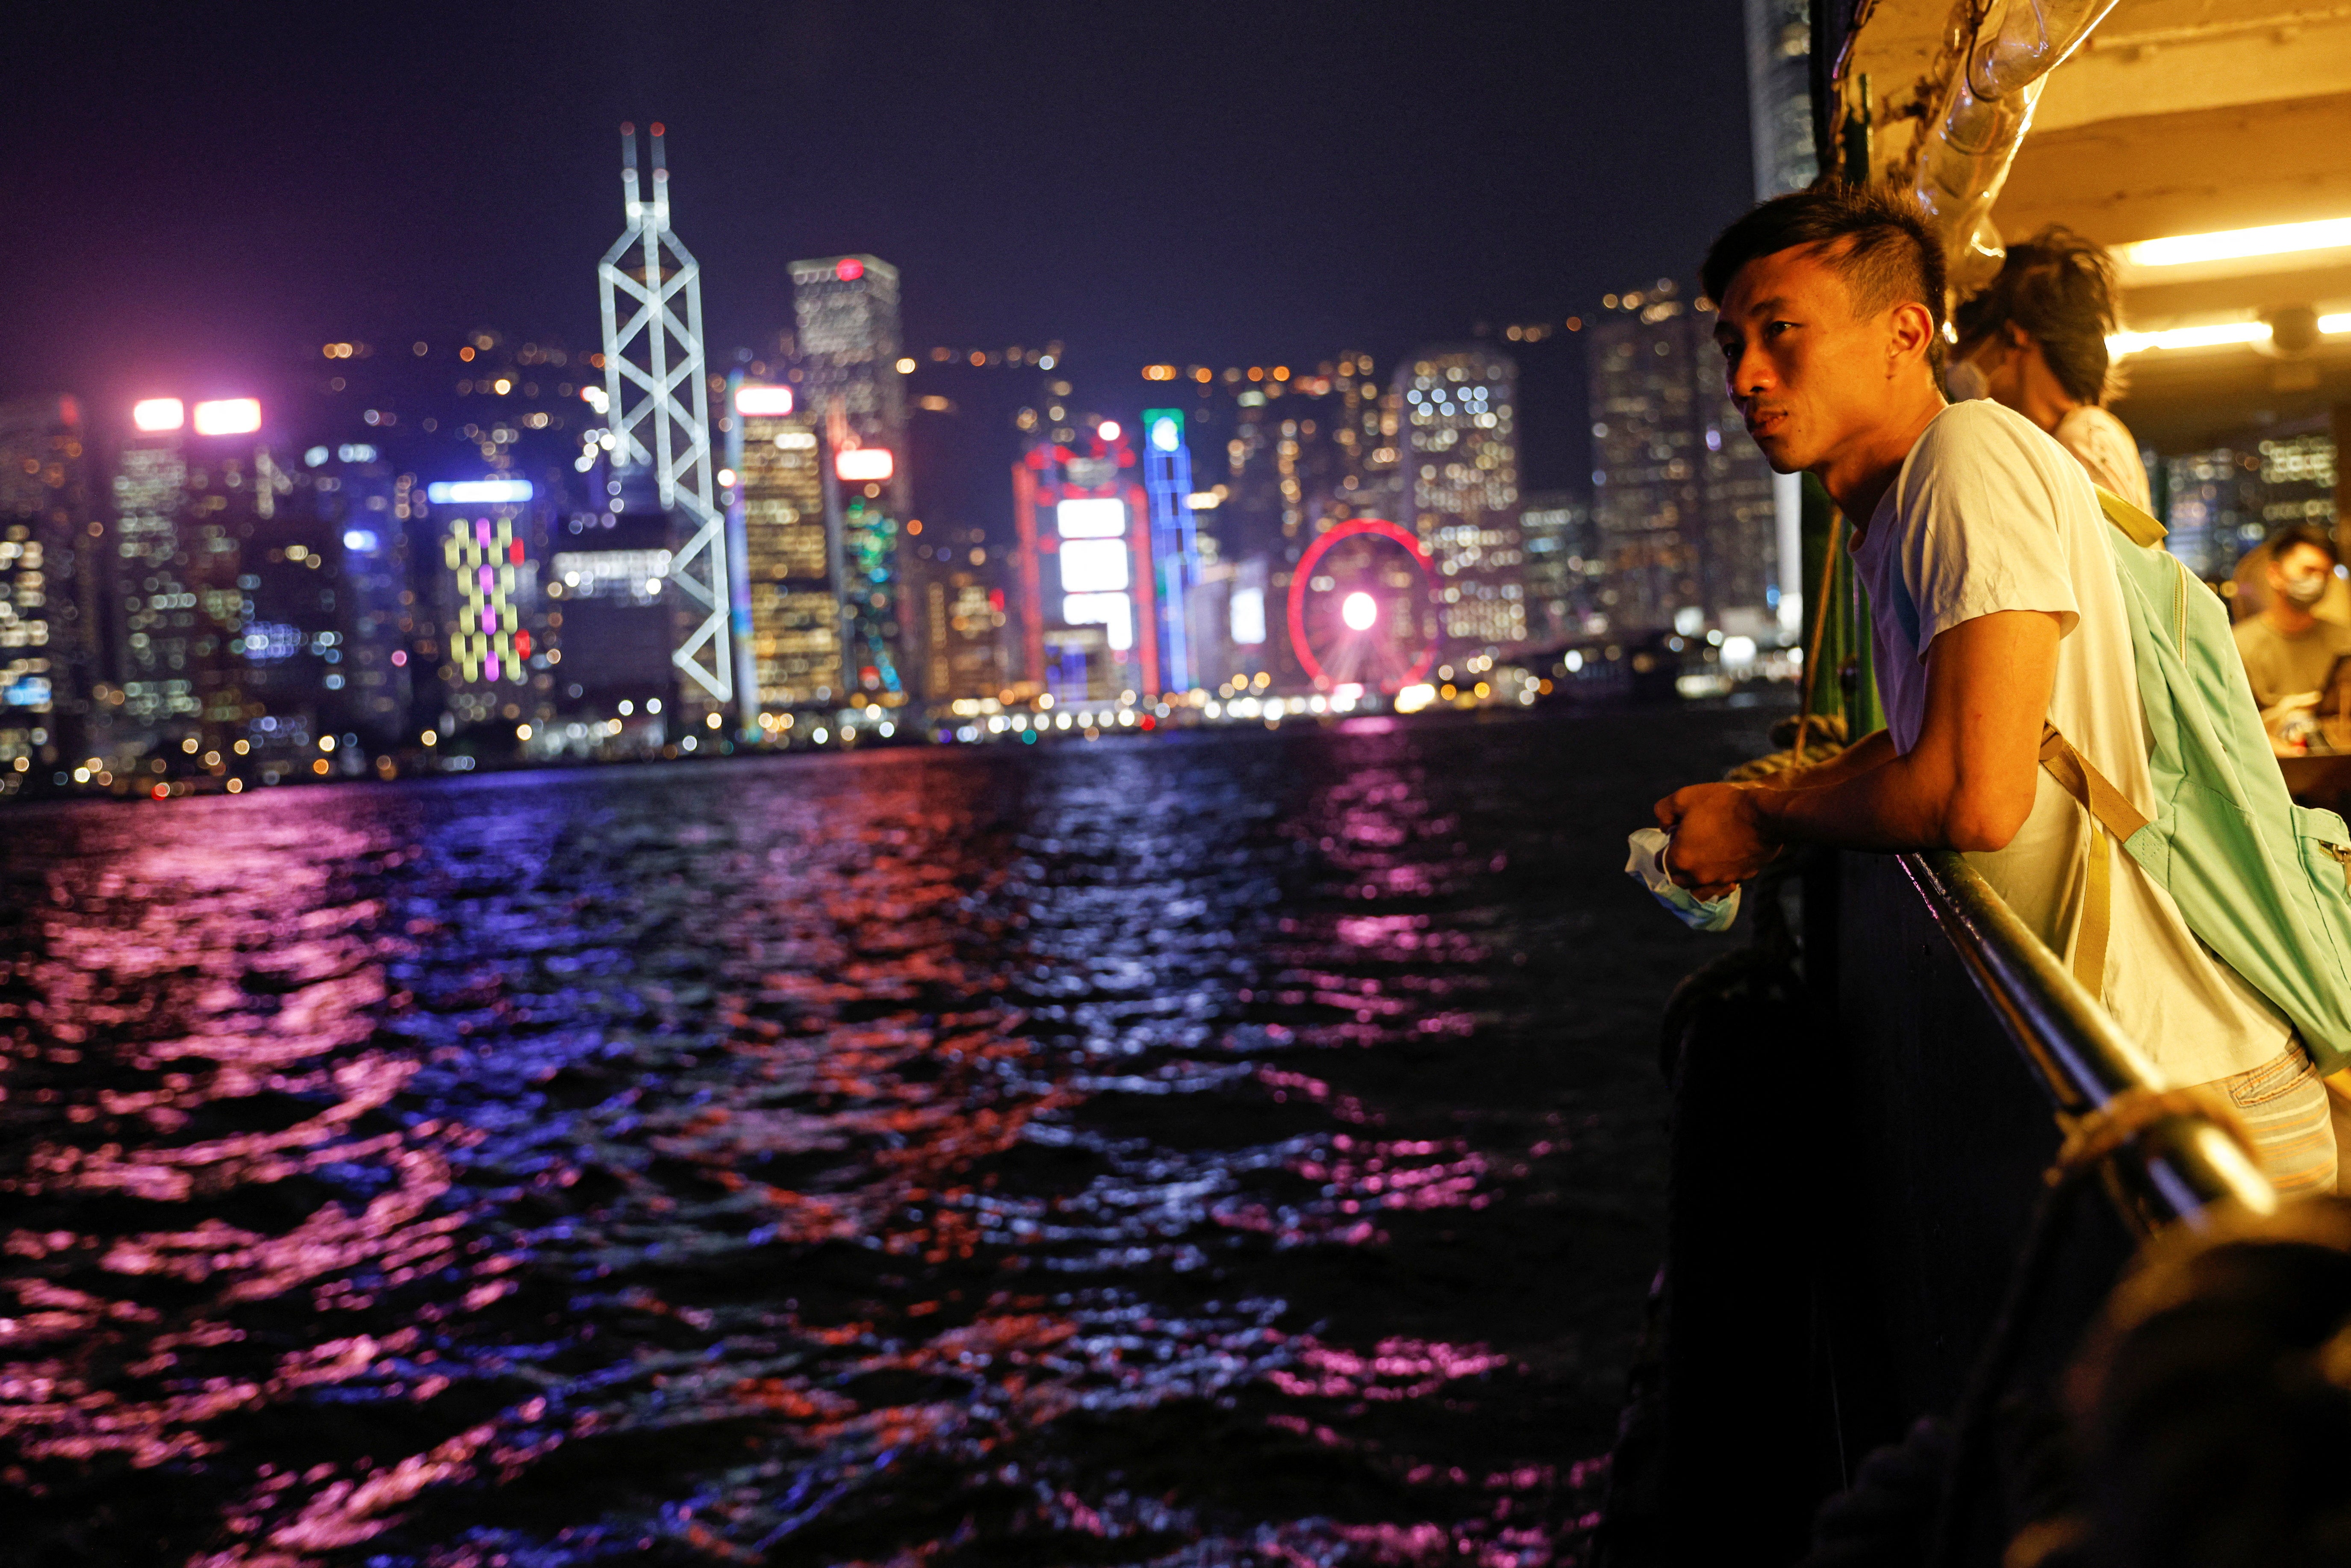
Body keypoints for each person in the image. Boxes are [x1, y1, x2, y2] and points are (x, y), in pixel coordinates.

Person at [1656, 183, 2341, 1196]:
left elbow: (1972, 795)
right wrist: (1770, 803)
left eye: (1779, 331)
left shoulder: (1965, 459)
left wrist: (1763, 819)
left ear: (1905, 332)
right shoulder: (1894, 514)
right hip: (2150, 1091)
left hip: (2197, 1111)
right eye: (1729, 347)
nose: (1746, 376)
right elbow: (1935, 737)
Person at [1947, 225, 2152, 511]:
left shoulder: (2083, 439)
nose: (1954, 360)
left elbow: (2100, 558)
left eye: (1966, 343)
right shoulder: (2057, 445)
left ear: (2017, 336)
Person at [2232, 522, 2351, 715]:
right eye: (2308, 571)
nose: (2318, 581)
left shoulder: (2345, 641)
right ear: (2275, 575)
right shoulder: (2239, 646)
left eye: (2325, 574)